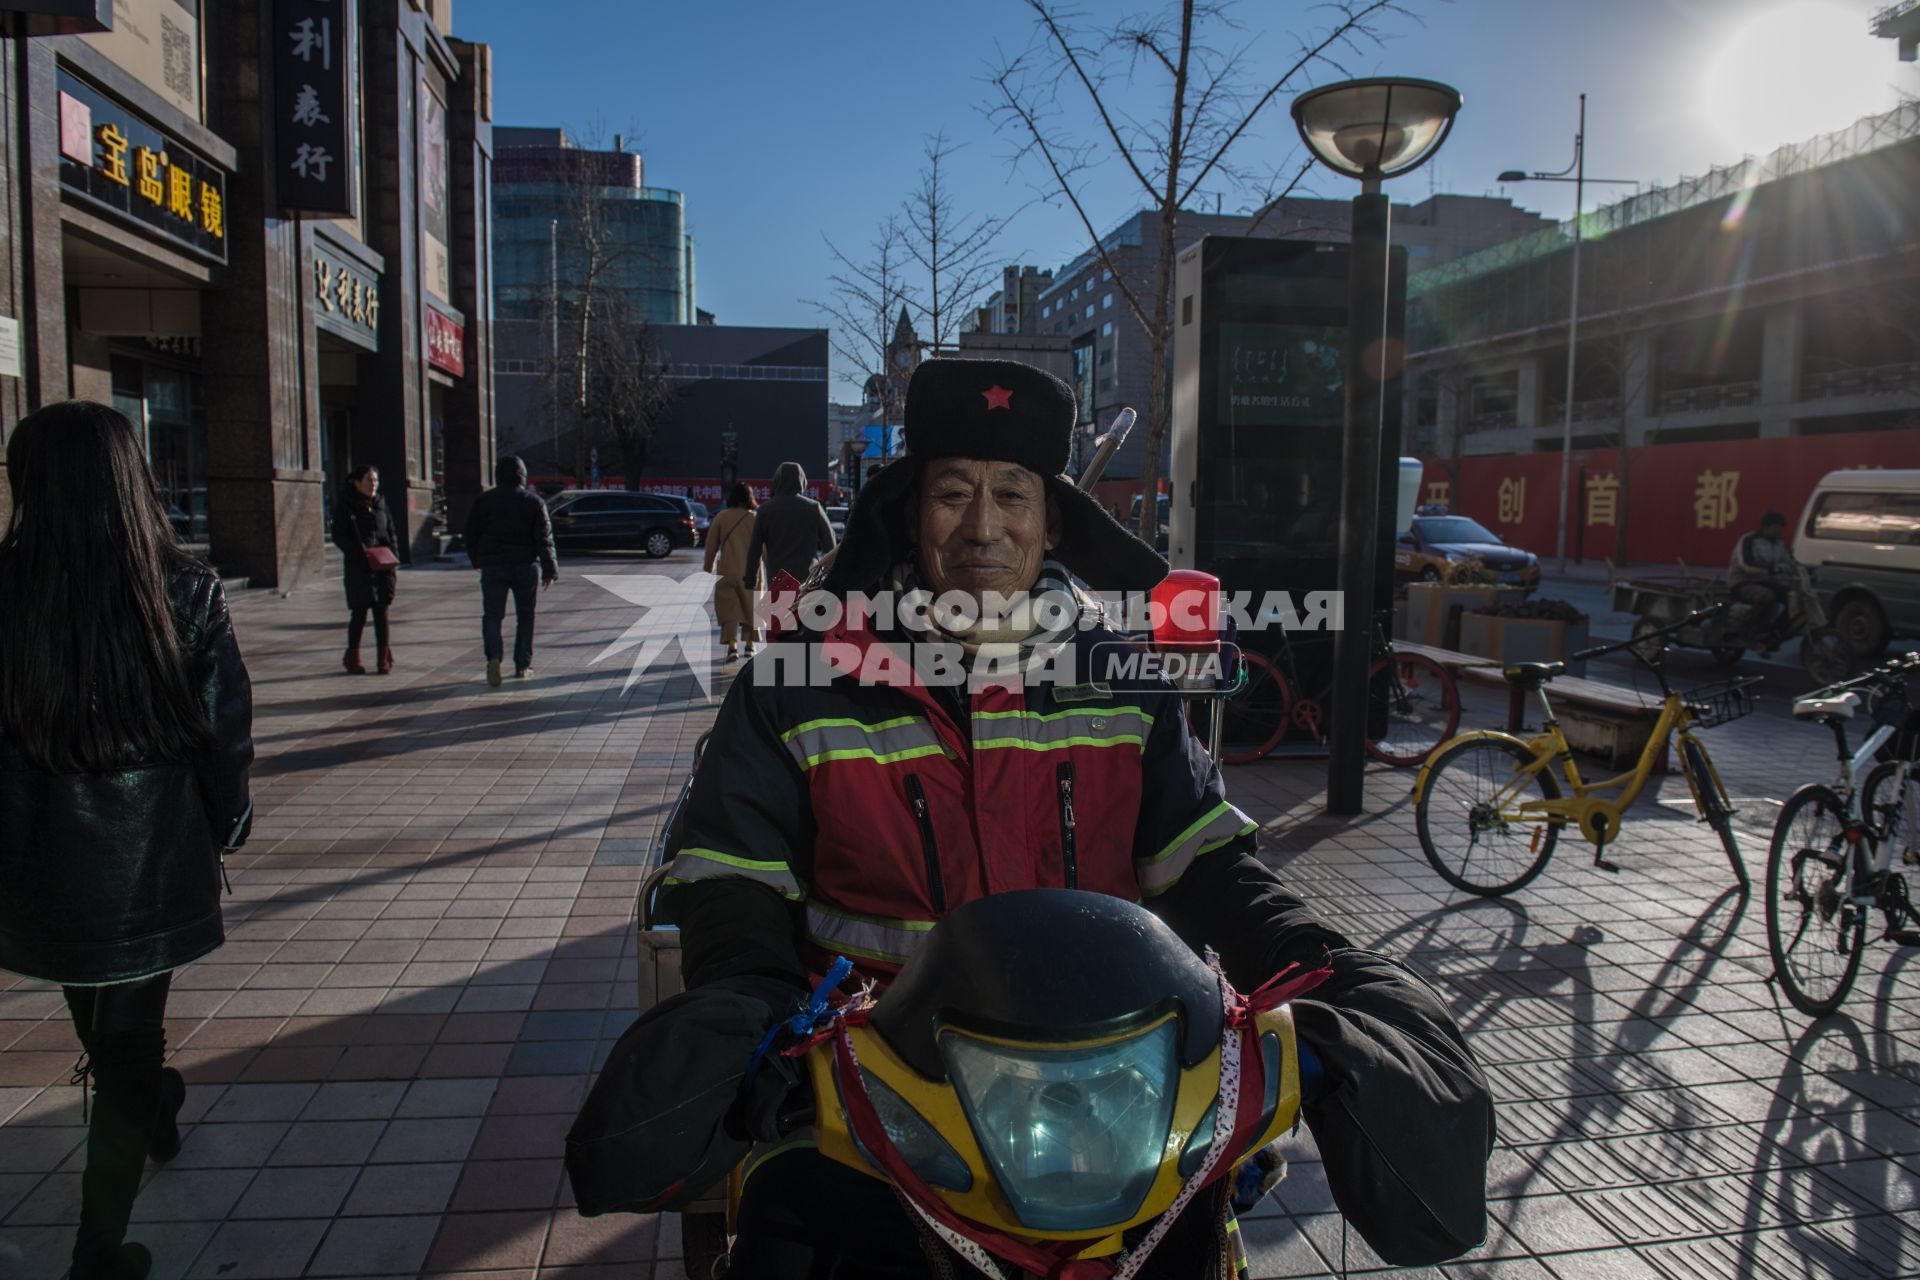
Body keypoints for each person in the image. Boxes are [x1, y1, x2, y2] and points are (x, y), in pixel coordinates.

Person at [648, 360, 1494, 1276]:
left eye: (1013, 494)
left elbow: (1206, 862)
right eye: (953, 493)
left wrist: (1321, 973)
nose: (983, 526)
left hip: (1113, 1108)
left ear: (1052, 521)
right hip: (874, 1106)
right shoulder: (798, 679)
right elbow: (730, 878)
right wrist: (761, 1023)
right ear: (907, 510)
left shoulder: (1125, 676)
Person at [0, 401, 254, 1280]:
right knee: (128, 1041)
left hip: (34, 860)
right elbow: (223, 735)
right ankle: (98, 1247)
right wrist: (229, 821)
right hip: (150, 854)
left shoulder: (5, 591)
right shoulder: (182, 589)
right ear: (131, 482)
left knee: (108, 1033)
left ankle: (149, 1109)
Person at [464, 455, 560, 687]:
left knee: (492, 615)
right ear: (522, 476)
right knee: (525, 617)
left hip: (493, 567)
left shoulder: (484, 501)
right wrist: (550, 570)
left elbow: (470, 533)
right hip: (524, 566)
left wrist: (477, 559)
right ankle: (522, 665)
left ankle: (494, 658)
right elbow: (544, 539)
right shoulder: (534, 502)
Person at [330, 465, 400, 674]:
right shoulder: (347, 506)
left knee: (382, 613)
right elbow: (339, 536)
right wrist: (358, 554)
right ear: (357, 482)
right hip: (358, 568)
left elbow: (391, 531)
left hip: (383, 567)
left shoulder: (380, 503)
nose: (373, 485)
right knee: (359, 613)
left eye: (376, 481)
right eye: (369, 480)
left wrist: (392, 554)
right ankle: (353, 658)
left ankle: (383, 658)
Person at [745, 461, 835, 589]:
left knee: (780, 609)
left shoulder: (765, 510)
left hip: (777, 579)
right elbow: (829, 543)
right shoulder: (813, 508)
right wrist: (830, 574)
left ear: (776, 481)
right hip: (808, 580)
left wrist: (750, 578)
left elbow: (755, 548)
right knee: (805, 609)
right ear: (802, 482)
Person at [704, 482, 762, 662]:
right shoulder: (755, 518)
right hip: (752, 573)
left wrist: (708, 568)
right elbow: (764, 546)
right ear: (749, 498)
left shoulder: (721, 517)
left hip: (727, 570)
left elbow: (711, 545)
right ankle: (750, 646)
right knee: (752, 607)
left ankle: (732, 646)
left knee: (729, 609)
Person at [1729, 509, 1797, 638]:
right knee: (1766, 596)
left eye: (1781, 529)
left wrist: (1804, 570)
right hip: (1743, 582)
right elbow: (1747, 565)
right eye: (1777, 529)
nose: (1780, 532)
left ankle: (1776, 631)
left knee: (1794, 600)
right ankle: (1749, 628)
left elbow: (1789, 561)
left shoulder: (1779, 543)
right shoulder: (1748, 540)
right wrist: (1772, 570)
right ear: (1767, 527)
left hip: (1768, 582)